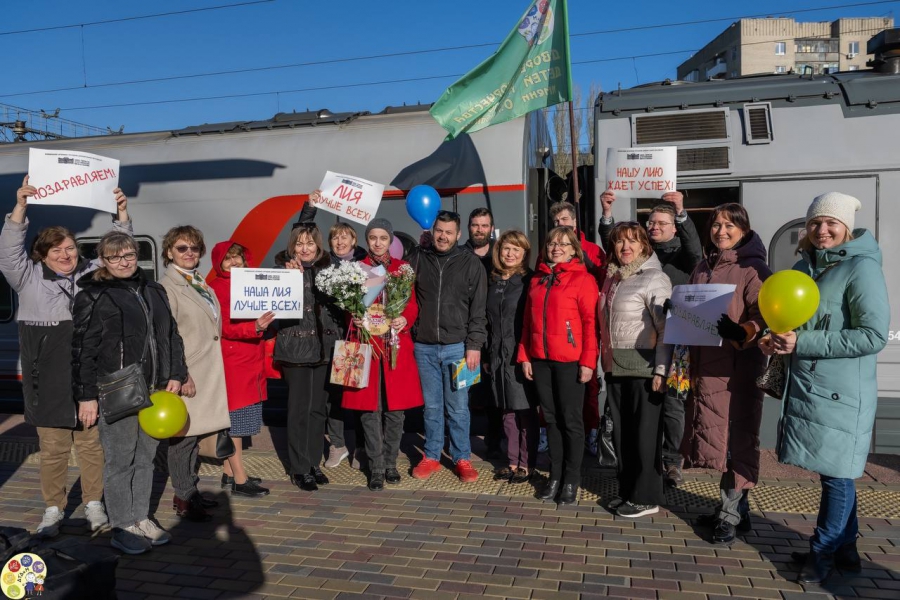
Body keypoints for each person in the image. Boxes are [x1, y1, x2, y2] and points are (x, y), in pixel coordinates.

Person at [760, 192, 889, 584]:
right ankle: (846, 550)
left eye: (831, 223)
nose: (822, 230)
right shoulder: (807, 266)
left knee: (837, 476)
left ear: (846, 227)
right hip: (813, 387)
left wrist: (804, 343)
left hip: (842, 392)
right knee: (836, 474)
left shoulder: (861, 268)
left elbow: (872, 336)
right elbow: (801, 319)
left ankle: (822, 552)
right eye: (815, 223)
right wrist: (778, 338)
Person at [0, 176, 131, 537]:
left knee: (91, 446)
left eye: (71, 248)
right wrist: (21, 207)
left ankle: (93, 504)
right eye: (56, 249)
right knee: (54, 448)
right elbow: (9, 251)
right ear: (42, 254)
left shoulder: (91, 274)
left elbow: (120, 254)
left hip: (87, 377)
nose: (65, 254)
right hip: (48, 379)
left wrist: (121, 213)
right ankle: (53, 510)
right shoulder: (26, 278)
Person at [71, 231, 187, 555]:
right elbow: (83, 348)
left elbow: (171, 336)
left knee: (146, 459)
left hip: (154, 390)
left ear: (137, 255)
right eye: (115, 257)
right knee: (120, 461)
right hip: (116, 389)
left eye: (129, 255)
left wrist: (176, 374)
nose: (123, 262)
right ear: (104, 261)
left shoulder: (154, 289)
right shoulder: (94, 295)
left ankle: (141, 517)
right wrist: (86, 396)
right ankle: (122, 526)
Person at [598, 190, 703, 488]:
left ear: (674, 227)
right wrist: (607, 214)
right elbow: (617, 242)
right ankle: (643, 464)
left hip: (673, 338)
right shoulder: (636, 260)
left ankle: (671, 462)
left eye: (661, 222)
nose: (654, 227)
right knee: (639, 416)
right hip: (639, 345)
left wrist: (681, 211)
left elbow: (696, 249)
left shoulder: (681, 253)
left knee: (671, 405)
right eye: (651, 223)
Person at [682, 203, 771, 544]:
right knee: (720, 442)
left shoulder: (753, 268)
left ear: (744, 230)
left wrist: (741, 332)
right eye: (716, 225)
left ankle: (729, 514)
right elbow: (694, 315)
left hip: (737, 373)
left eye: (729, 225)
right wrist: (677, 311)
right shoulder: (703, 267)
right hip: (706, 371)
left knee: (737, 442)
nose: (721, 230)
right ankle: (737, 510)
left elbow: (763, 317)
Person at [518, 226, 599, 505]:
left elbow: (591, 325)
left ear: (574, 249)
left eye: (564, 244)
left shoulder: (584, 280)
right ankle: (555, 475)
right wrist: (524, 355)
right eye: (552, 242)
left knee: (571, 422)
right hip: (540, 359)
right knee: (550, 420)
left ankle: (571, 479)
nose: (557, 248)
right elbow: (528, 322)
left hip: (570, 362)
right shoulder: (538, 279)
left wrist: (588, 361)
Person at [341, 219, 424, 490]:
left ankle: (390, 463)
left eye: (383, 238)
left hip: (394, 346)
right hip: (366, 346)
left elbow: (411, 304)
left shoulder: (402, 269)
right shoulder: (357, 269)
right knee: (369, 410)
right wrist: (352, 312)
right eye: (373, 238)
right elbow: (347, 303)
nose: (378, 243)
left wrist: (404, 319)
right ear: (367, 240)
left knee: (396, 411)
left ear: (391, 241)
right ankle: (375, 466)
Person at [599, 223, 672, 518]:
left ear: (644, 246)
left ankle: (646, 497)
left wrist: (661, 370)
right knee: (623, 436)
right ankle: (628, 491)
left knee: (644, 436)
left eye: (632, 241)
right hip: (616, 367)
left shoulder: (654, 277)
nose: (625, 247)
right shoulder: (614, 279)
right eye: (619, 242)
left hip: (644, 368)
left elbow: (667, 329)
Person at [160, 226, 233, 520]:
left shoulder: (199, 282)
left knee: (196, 434)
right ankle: (184, 497)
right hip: (189, 371)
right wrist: (180, 373)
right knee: (183, 437)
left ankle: (191, 490)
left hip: (207, 371)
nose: (189, 253)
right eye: (182, 248)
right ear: (169, 252)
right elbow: (167, 335)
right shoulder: (167, 286)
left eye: (194, 248)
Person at [409, 210, 487, 483]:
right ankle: (431, 455)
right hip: (425, 347)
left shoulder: (471, 264)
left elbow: (479, 310)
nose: (443, 236)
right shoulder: (418, 258)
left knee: (459, 408)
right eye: (439, 230)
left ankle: (461, 457)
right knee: (431, 407)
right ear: (432, 230)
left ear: (458, 234)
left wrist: (474, 344)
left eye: (449, 232)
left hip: (458, 348)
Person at [294, 196, 366, 470]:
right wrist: (309, 208)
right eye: (335, 238)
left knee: (357, 395)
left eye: (345, 237)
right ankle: (338, 445)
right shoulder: (323, 264)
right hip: (330, 341)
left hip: (356, 339)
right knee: (332, 398)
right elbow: (301, 232)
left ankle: (361, 447)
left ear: (354, 240)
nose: (340, 242)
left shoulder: (364, 264)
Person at [273, 222, 342, 492]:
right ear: (292, 247)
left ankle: (313, 463)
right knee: (299, 410)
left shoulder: (329, 271)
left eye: (310, 243)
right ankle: (299, 468)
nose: (305, 248)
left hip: (324, 349)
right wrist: (292, 277)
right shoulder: (284, 271)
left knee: (317, 411)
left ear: (318, 246)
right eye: (299, 243)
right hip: (296, 350)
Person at [208, 241, 273, 497]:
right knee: (235, 424)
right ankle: (240, 479)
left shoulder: (251, 282)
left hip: (250, 361)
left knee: (240, 421)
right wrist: (254, 328)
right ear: (219, 263)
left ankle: (228, 473)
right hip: (234, 362)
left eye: (238, 258)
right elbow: (222, 327)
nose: (234, 263)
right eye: (228, 259)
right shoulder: (216, 288)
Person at [548, 201, 605, 456]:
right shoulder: (549, 249)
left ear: (574, 221)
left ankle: (591, 431)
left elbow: (603, 281)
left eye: (565, 220)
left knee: (589, 383)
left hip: (585, 327)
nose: (561, 225)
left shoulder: (592, 250)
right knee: (555, 389)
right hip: (558, 332)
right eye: (557, 221)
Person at [486, 230, 538, 484]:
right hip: (496, 355)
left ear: (524, 254)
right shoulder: (494, 281)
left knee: (524, 411)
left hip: (519, 354)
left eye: (516, 249)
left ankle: (527, 464)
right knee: (507, 411)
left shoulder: (529, 281)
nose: (510, 253)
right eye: (506, 248)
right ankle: (512, 460)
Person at [463, 208, 503, 460]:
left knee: (493, 394)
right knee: (463, 391)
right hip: (464, 331)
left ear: (491, 228)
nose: (480, 230)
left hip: (493, 333)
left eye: (484, 225)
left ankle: (495, 442)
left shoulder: (500, 255)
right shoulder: (460, 255)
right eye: (475, 225)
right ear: (469, 227)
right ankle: (460, 444)